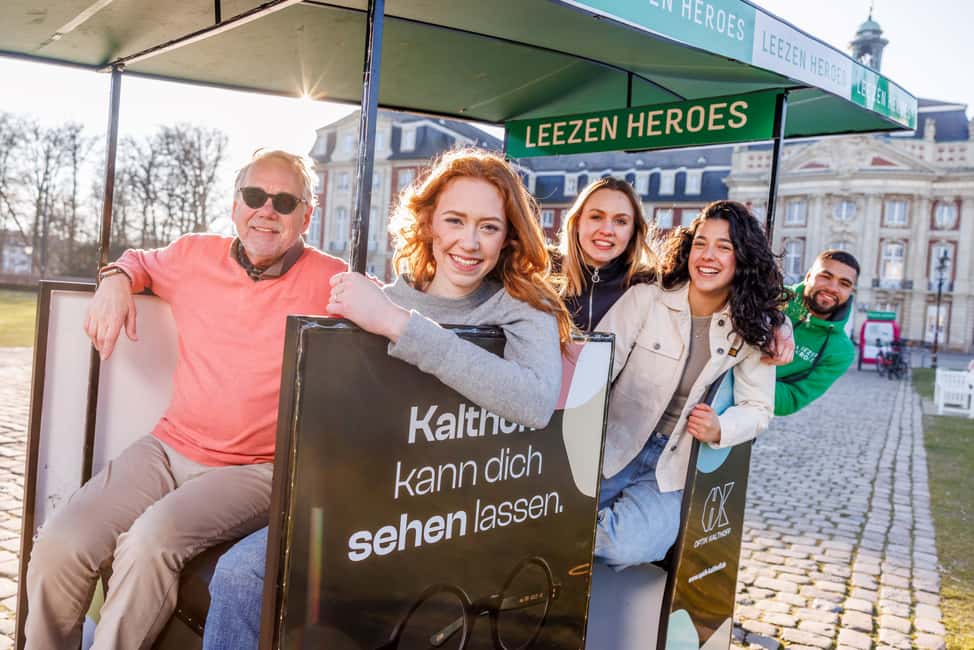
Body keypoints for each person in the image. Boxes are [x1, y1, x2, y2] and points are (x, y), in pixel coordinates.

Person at [202, 147, 571, 649]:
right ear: (429, 225)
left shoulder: (521, 308)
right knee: (242, 576)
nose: (469, 242)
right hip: (368, 505)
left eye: (488, 226)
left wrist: (399, 327)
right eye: (455, 221)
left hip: (459, 516)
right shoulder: (386, 298)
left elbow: (532, 400)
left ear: (508, 235)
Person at [23, 150, 347, 650]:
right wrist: (115, 280)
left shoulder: (331, 278)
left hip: (255, 469)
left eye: (285, 202)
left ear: (308, 215)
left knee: (149, 541)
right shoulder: (194, 254)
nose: (267, 211)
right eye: (255, 196)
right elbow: (136, 262)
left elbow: (393, 319)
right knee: (61, 544)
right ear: (235, 204)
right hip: (167, 447)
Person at [594, 200, 785, 568]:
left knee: (626, 547)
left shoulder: (753, 328)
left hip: (675, 466)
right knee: (553, 512)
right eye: (700, 242)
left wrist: (720, 428)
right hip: (615, 444)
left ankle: (570, 540)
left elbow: (759, 409)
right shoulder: (649, 298)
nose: (707, 256)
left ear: (742, 258)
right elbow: (598, 365)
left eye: (723, 247)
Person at [554, 176, 656, 331]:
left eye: (620, 221)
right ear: (577, 222)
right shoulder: (542, 272)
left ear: (633, 231)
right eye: (596, 217)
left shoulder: (648, 285)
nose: (607, 230)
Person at [775, 250, 859, 416]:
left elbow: (790, 400)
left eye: (844, 283)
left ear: (851, 292)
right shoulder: (771, 298)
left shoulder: (840, 351)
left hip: (743, 421)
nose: (832, 288)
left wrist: (744, 377)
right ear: (808, 277)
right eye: (825, 276)